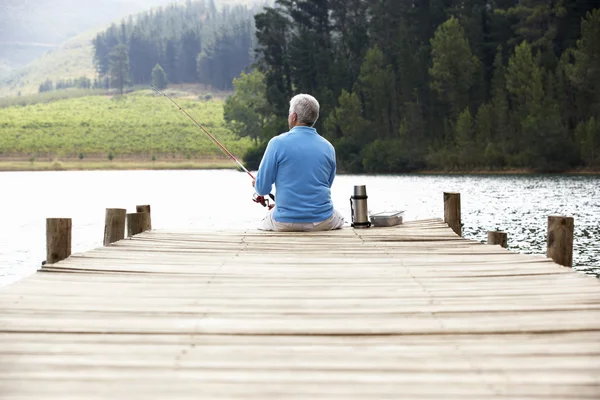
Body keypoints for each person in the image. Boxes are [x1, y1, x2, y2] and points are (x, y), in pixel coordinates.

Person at [253, 94, 344, 232]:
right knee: (341, 218)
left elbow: (262, 189)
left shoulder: (277, 143)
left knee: (265, 221)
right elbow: (327, 184)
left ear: (294, 117)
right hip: (322, 221)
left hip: (284, 222)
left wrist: (257, 184)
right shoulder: (328, 147)